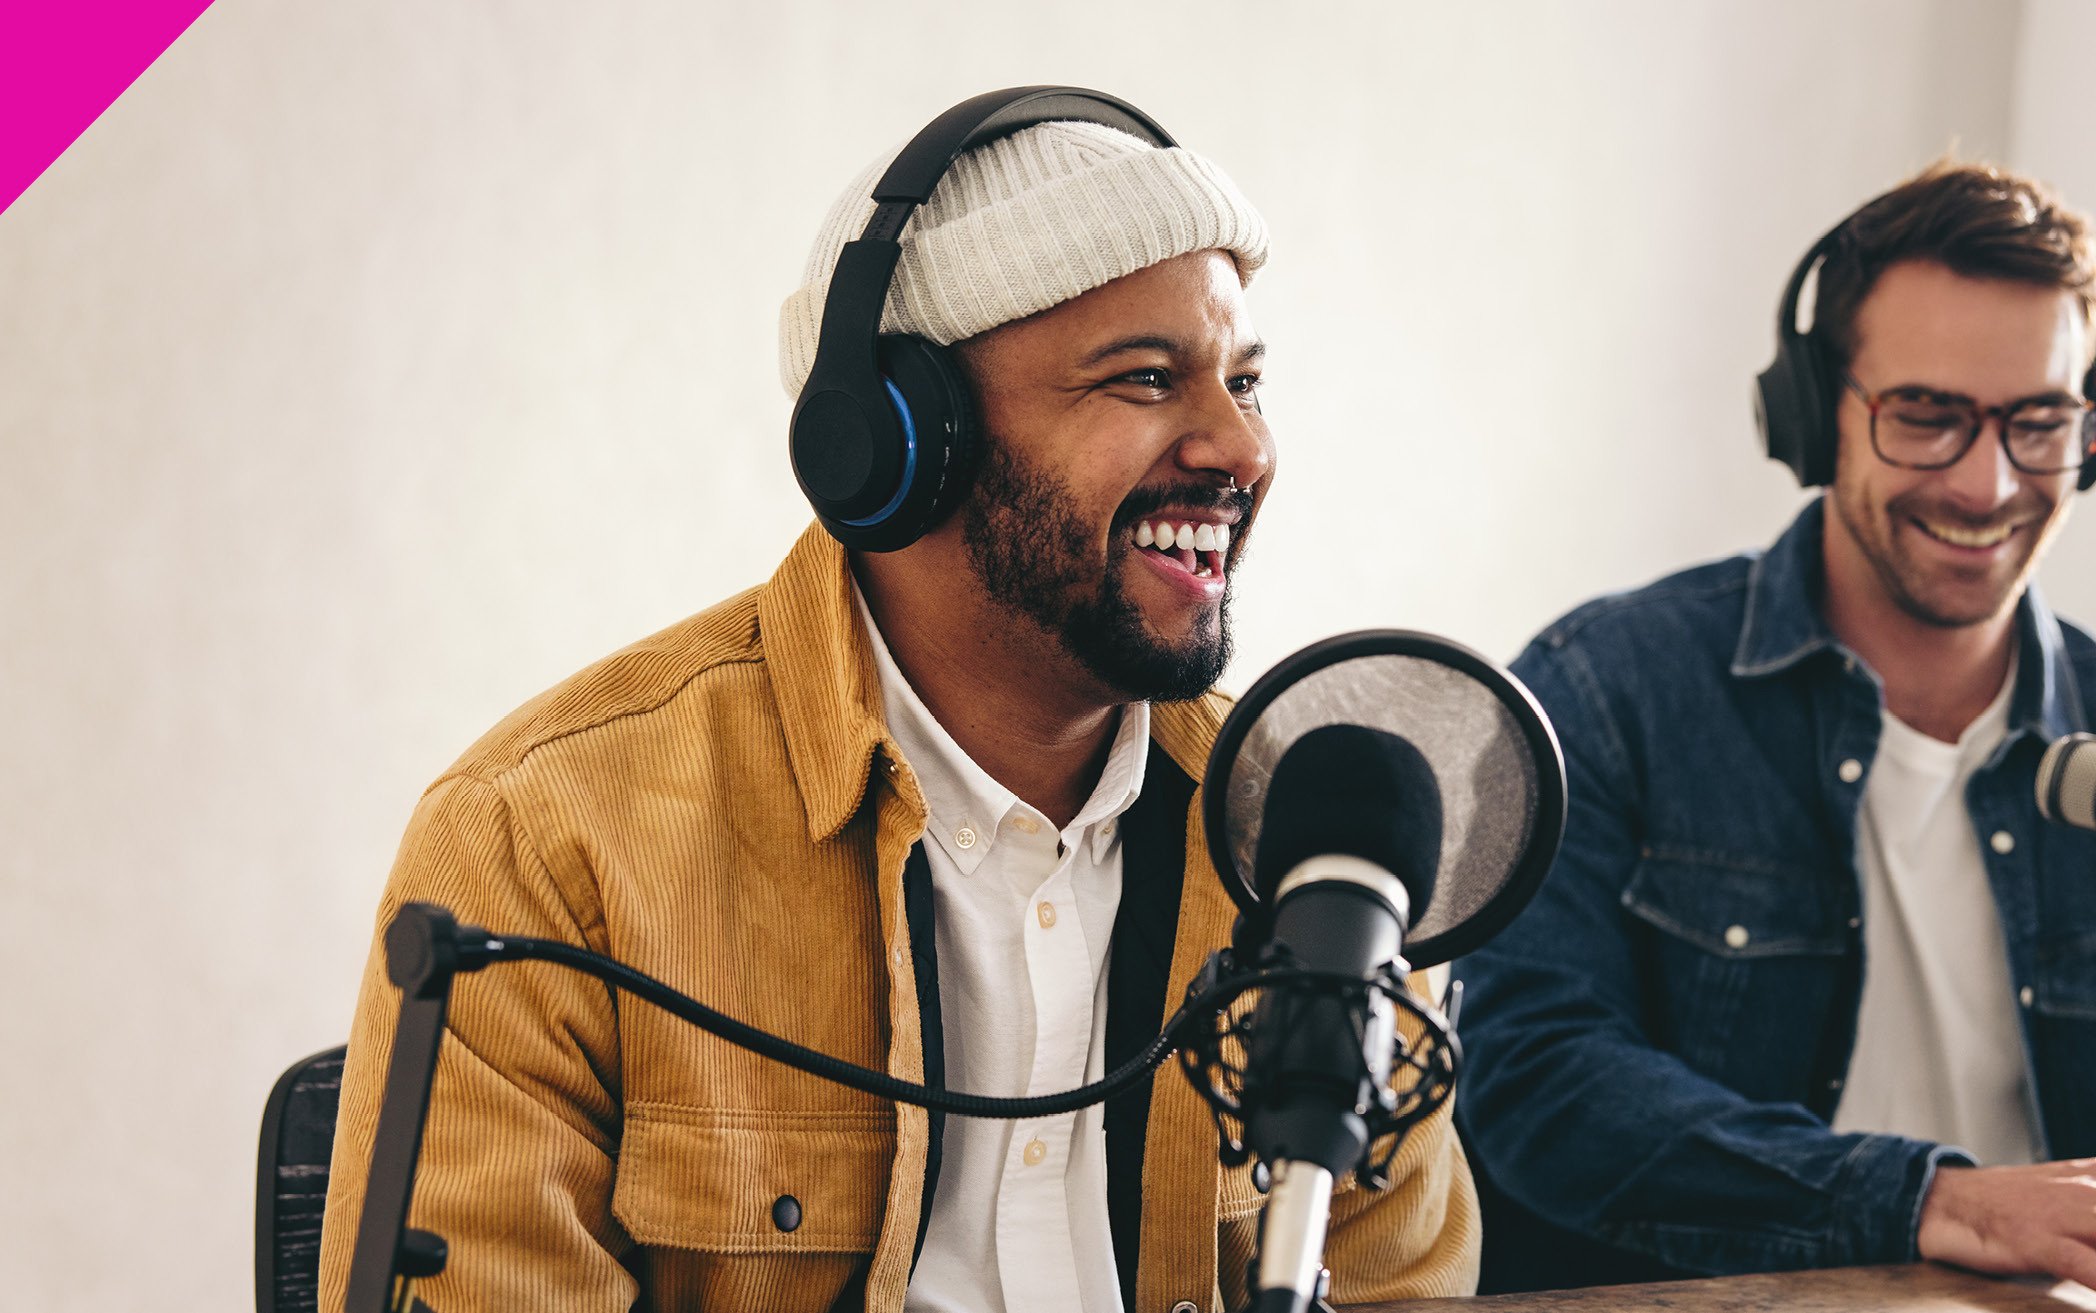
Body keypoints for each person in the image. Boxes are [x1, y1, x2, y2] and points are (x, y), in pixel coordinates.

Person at [316, 90, 1477, 1313]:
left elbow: (1409, 1286)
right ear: (898, 442)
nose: (1239, 450)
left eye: (1245, 381)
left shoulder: (1316, 844)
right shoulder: (548, 844)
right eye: (1144, 381)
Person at [1456, 160, 2096, 1306]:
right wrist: (1937, 1198)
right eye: (1926, 415)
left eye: (2038, 421)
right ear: (1814, 412)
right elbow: (1538, 1083)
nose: (1985, 480)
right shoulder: (1600, 694)